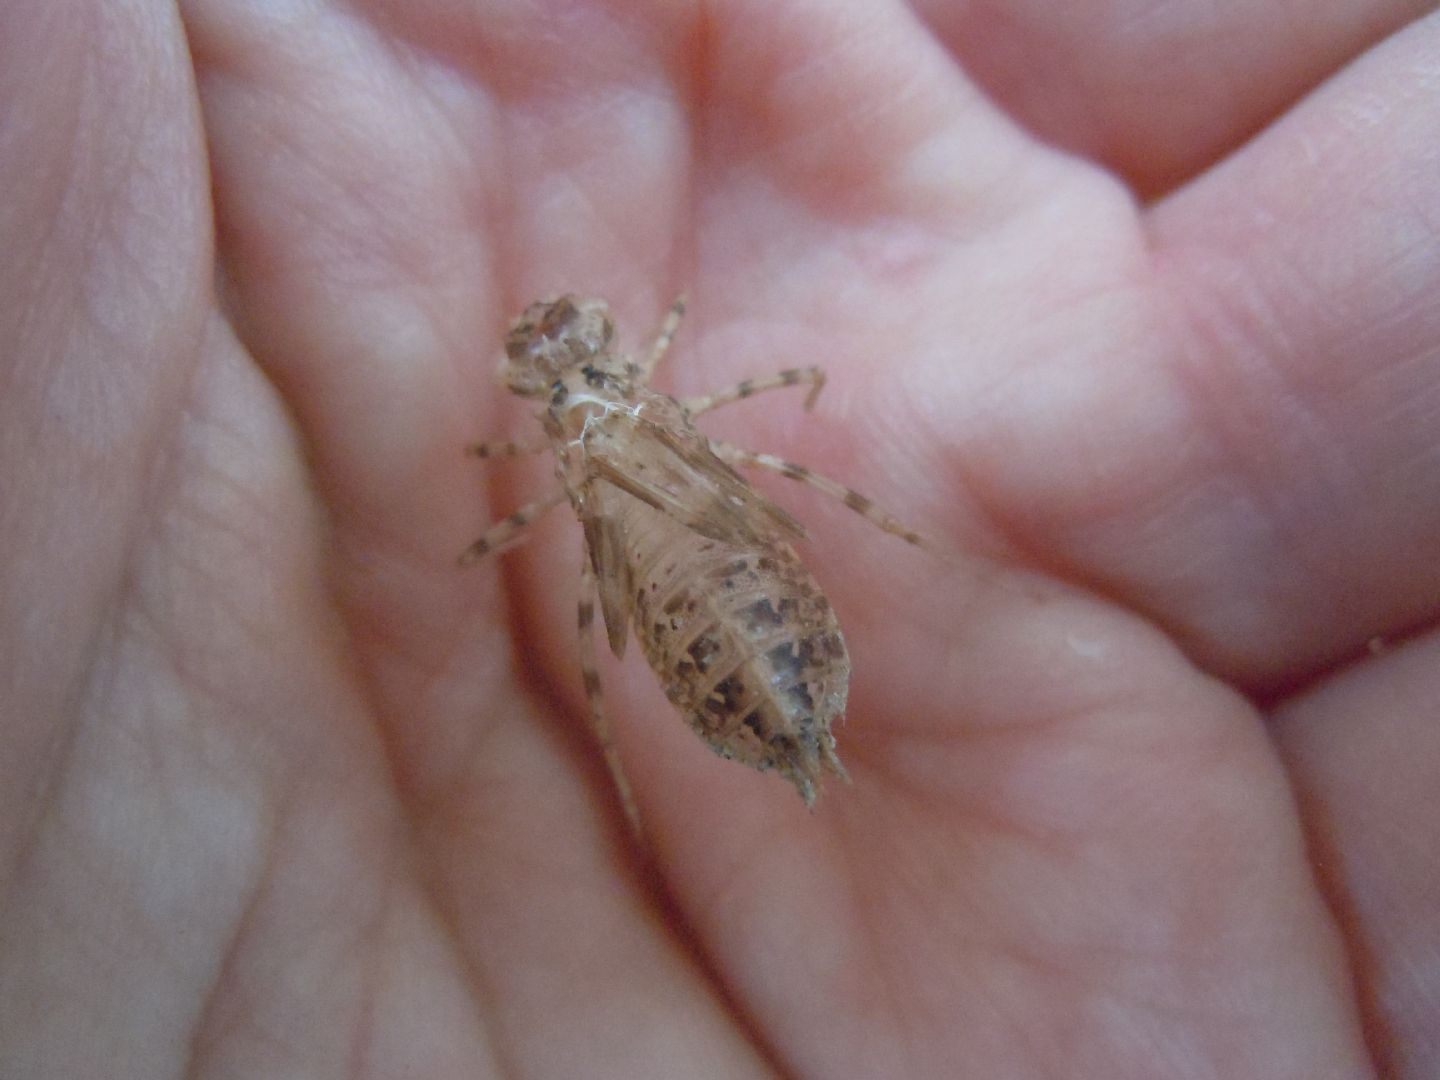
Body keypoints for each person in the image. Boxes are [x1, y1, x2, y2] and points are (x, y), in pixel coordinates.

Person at [1, 1, 1435, 1075]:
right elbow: (687, 434)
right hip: (709, 573)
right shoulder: (590, 423)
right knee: (659, 591)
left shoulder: (544, 448)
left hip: (709, 586)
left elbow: (553, 490)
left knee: (659, 593)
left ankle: (750, 720)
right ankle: (718, 736)